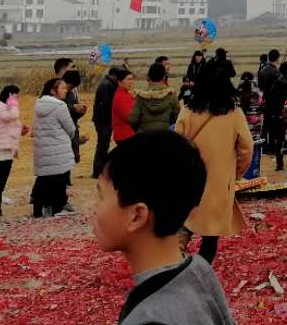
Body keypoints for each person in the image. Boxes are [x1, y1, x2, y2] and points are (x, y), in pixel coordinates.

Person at [93, 129, 235, 325]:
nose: (95, 209)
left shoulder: (150, 319)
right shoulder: (200, 270)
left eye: (101, 196)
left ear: (137, 216)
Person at [175, 64, 253, 264]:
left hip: (189, 178)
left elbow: (176, 145)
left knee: (185, 221)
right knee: (211, 236)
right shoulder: (233, 113)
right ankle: (201, 270)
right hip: (219, 182)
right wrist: (235, 173)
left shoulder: (187, 110)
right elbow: (246, 148)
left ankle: (174, 260)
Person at [32, 77, 77, 217]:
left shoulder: (38, 104)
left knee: (44, 178)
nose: (65, 91)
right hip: (58, 148)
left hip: (42, 148)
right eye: (62, 88)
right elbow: (70, 129)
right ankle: (57, 208)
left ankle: (39, 209)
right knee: (59, 179)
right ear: (53, 91)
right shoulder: (60, 106)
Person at [0, 84, 28, 218]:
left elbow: (10, 125)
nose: (17, 99)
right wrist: (13, 103)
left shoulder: (7, 108)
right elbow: (11, 116)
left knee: (1, 182)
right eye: (15, 96)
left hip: (7, 150)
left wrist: (21, 129)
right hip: (0, 150)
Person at [92, 66, 130, 178]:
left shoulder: (109, 84)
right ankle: (98, 171)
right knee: (103, 145)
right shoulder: (106, 85)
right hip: (103, 121)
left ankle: (101, 170)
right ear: (113, 75)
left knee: (104, 145)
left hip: (105, 120)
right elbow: (108, 105)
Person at [129, 61, 182, 134]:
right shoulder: (171, 95)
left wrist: (139, 130)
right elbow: (177, 118)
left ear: (149, 76)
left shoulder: (141, 96)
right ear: (164, 77)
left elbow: (132, 119)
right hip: (165, 135)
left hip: (144, 136)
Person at [111, 69, 138, 146]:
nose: (131, 82)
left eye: (132, 79)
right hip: (125, 135)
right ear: (119, 82)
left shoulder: (126, 94)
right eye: (128, 79)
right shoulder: (120, 96)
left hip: (128, 134)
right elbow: (128, 117)